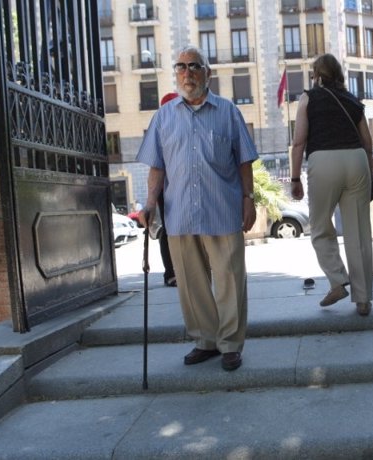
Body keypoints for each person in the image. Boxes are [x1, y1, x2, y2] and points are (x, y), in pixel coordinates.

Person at [136, 45, 258, 371]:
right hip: (180, 213)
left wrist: (249, 199)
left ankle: (230, 343)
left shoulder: (228, 111)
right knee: (191, 282)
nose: (187, 73)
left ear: (207, 72)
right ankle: (206, 340)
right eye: (181, 67)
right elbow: (157, 168)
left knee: (230, 279)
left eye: (194, 66)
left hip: (223, 209)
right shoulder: (163, 117)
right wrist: (149, 205)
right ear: (175, 74)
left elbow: (244, 161)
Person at [290, 53, 373, 317]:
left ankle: (338, 280)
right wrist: (369, 178)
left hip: (324, 160)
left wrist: (294, 178)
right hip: (356, 161)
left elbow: (299, 142)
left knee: (320, 226)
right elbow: (368, 144)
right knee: (358, 232)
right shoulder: (354, 102)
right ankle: (363, 300)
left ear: (316, 74)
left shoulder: (308, 98)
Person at [158, 92, 180, 287]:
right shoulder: (161, 128)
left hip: (181, 183)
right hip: (165, 186)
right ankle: (171, 272)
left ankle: (184, 270)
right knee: (168, 229)